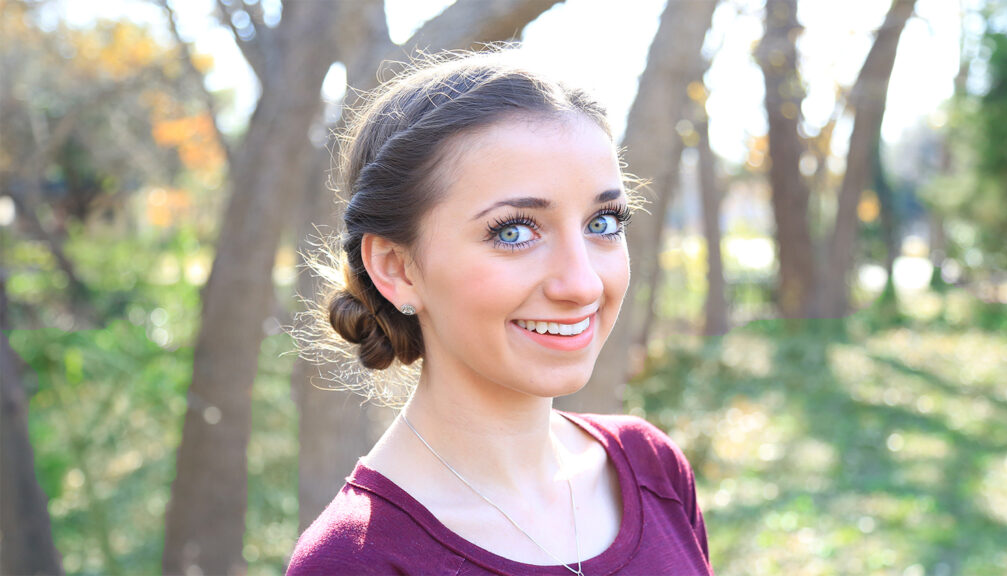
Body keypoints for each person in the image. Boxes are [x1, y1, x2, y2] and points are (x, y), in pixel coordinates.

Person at [287, 50, 713, 576]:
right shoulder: (354, 561)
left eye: (602, 224)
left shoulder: (653, 471)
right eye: (514, 231)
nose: (581, 284)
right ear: (397, 267)